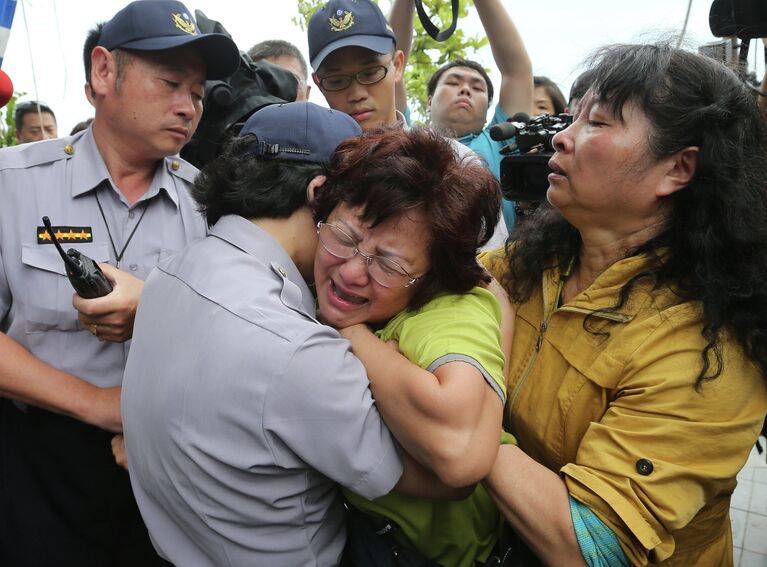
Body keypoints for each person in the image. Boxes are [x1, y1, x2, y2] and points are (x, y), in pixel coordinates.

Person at [121, 102, 466, 567]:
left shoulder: (169, 273)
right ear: (321, 191)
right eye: (362, 210)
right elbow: (444, 475)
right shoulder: (296, 348)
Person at [480, 42, 767, 566]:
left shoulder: (705, 354)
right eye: (571, 118)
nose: (560, 139)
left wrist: (464, 432)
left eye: (598, 123)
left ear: (677, 169)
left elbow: (591, 544)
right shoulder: (537, 259)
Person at [0, 1, 239, 564]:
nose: (189, 107)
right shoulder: (13, 184)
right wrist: (99, 404)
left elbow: (235, 333)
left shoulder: (208, 204)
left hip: (165, 462)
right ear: (105, 72)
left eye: (200, 93)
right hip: (38, 460)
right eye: (171, 82)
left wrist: (159, 310)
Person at [313, 127, 511, 567]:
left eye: (388, 264)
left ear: (432, 277)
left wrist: (352, 334)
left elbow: (460, 453)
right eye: (344, 238)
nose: (350, 273)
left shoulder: (454, 311)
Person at [307, 0, 508, 249]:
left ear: (398, 66)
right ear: (318, 83)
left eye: (370, 73)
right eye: (337, 80)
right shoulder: (310, 167)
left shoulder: (453, 163)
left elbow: (488, 270)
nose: (357, 92)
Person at [390, 0, 532, 232]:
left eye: (477, 87)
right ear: (429, 102)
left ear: (488, 111)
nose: (465, 89)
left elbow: (517, 71)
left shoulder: (501, 143)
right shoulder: (403, 136)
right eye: (453, 82)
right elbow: (391, 58)